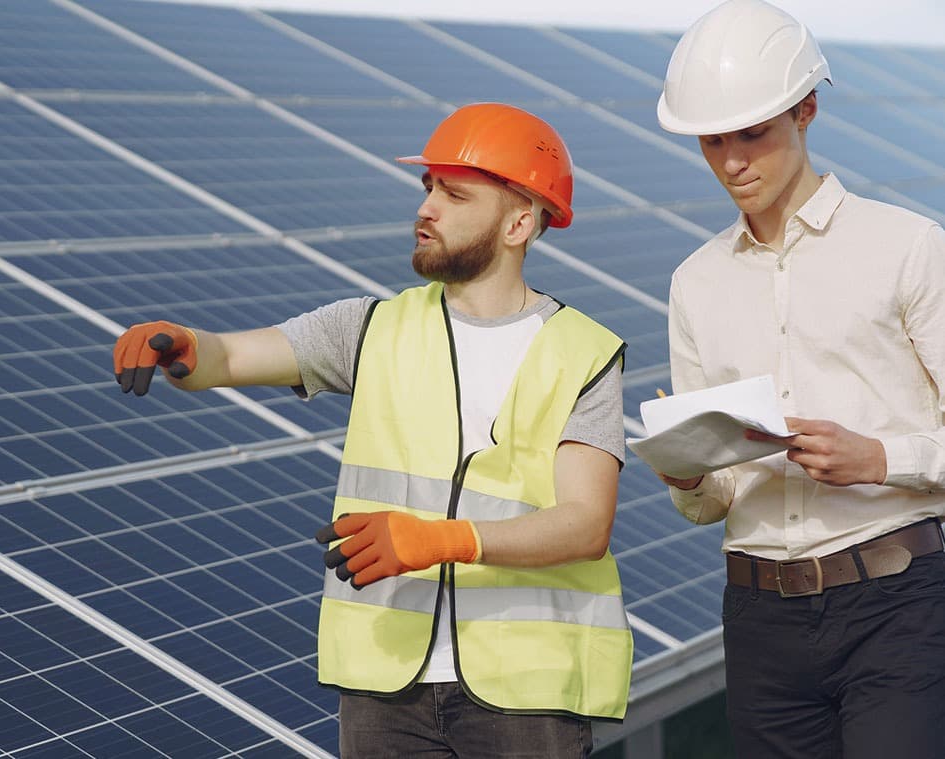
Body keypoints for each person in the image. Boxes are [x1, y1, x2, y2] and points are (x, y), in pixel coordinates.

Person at [114, 102, 632, 757]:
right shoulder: (370, 326)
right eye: (427, 189)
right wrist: (181, 344)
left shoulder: (581, 351)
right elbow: (231, 355)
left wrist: (441, 538)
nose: (427, 208)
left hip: (524, 692)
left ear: (520, 221)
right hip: (385, 686)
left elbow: (586, 523)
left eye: (454, 193)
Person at [655, 1, 945, 756]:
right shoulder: (694, 284)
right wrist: (686, 474)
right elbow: (712, 503)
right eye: (712, 140)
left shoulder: (909, 248)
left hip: (898, 605)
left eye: (753, 132)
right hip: (759, 624)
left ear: (806, 109)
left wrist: (880, 459)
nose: (732, 161)